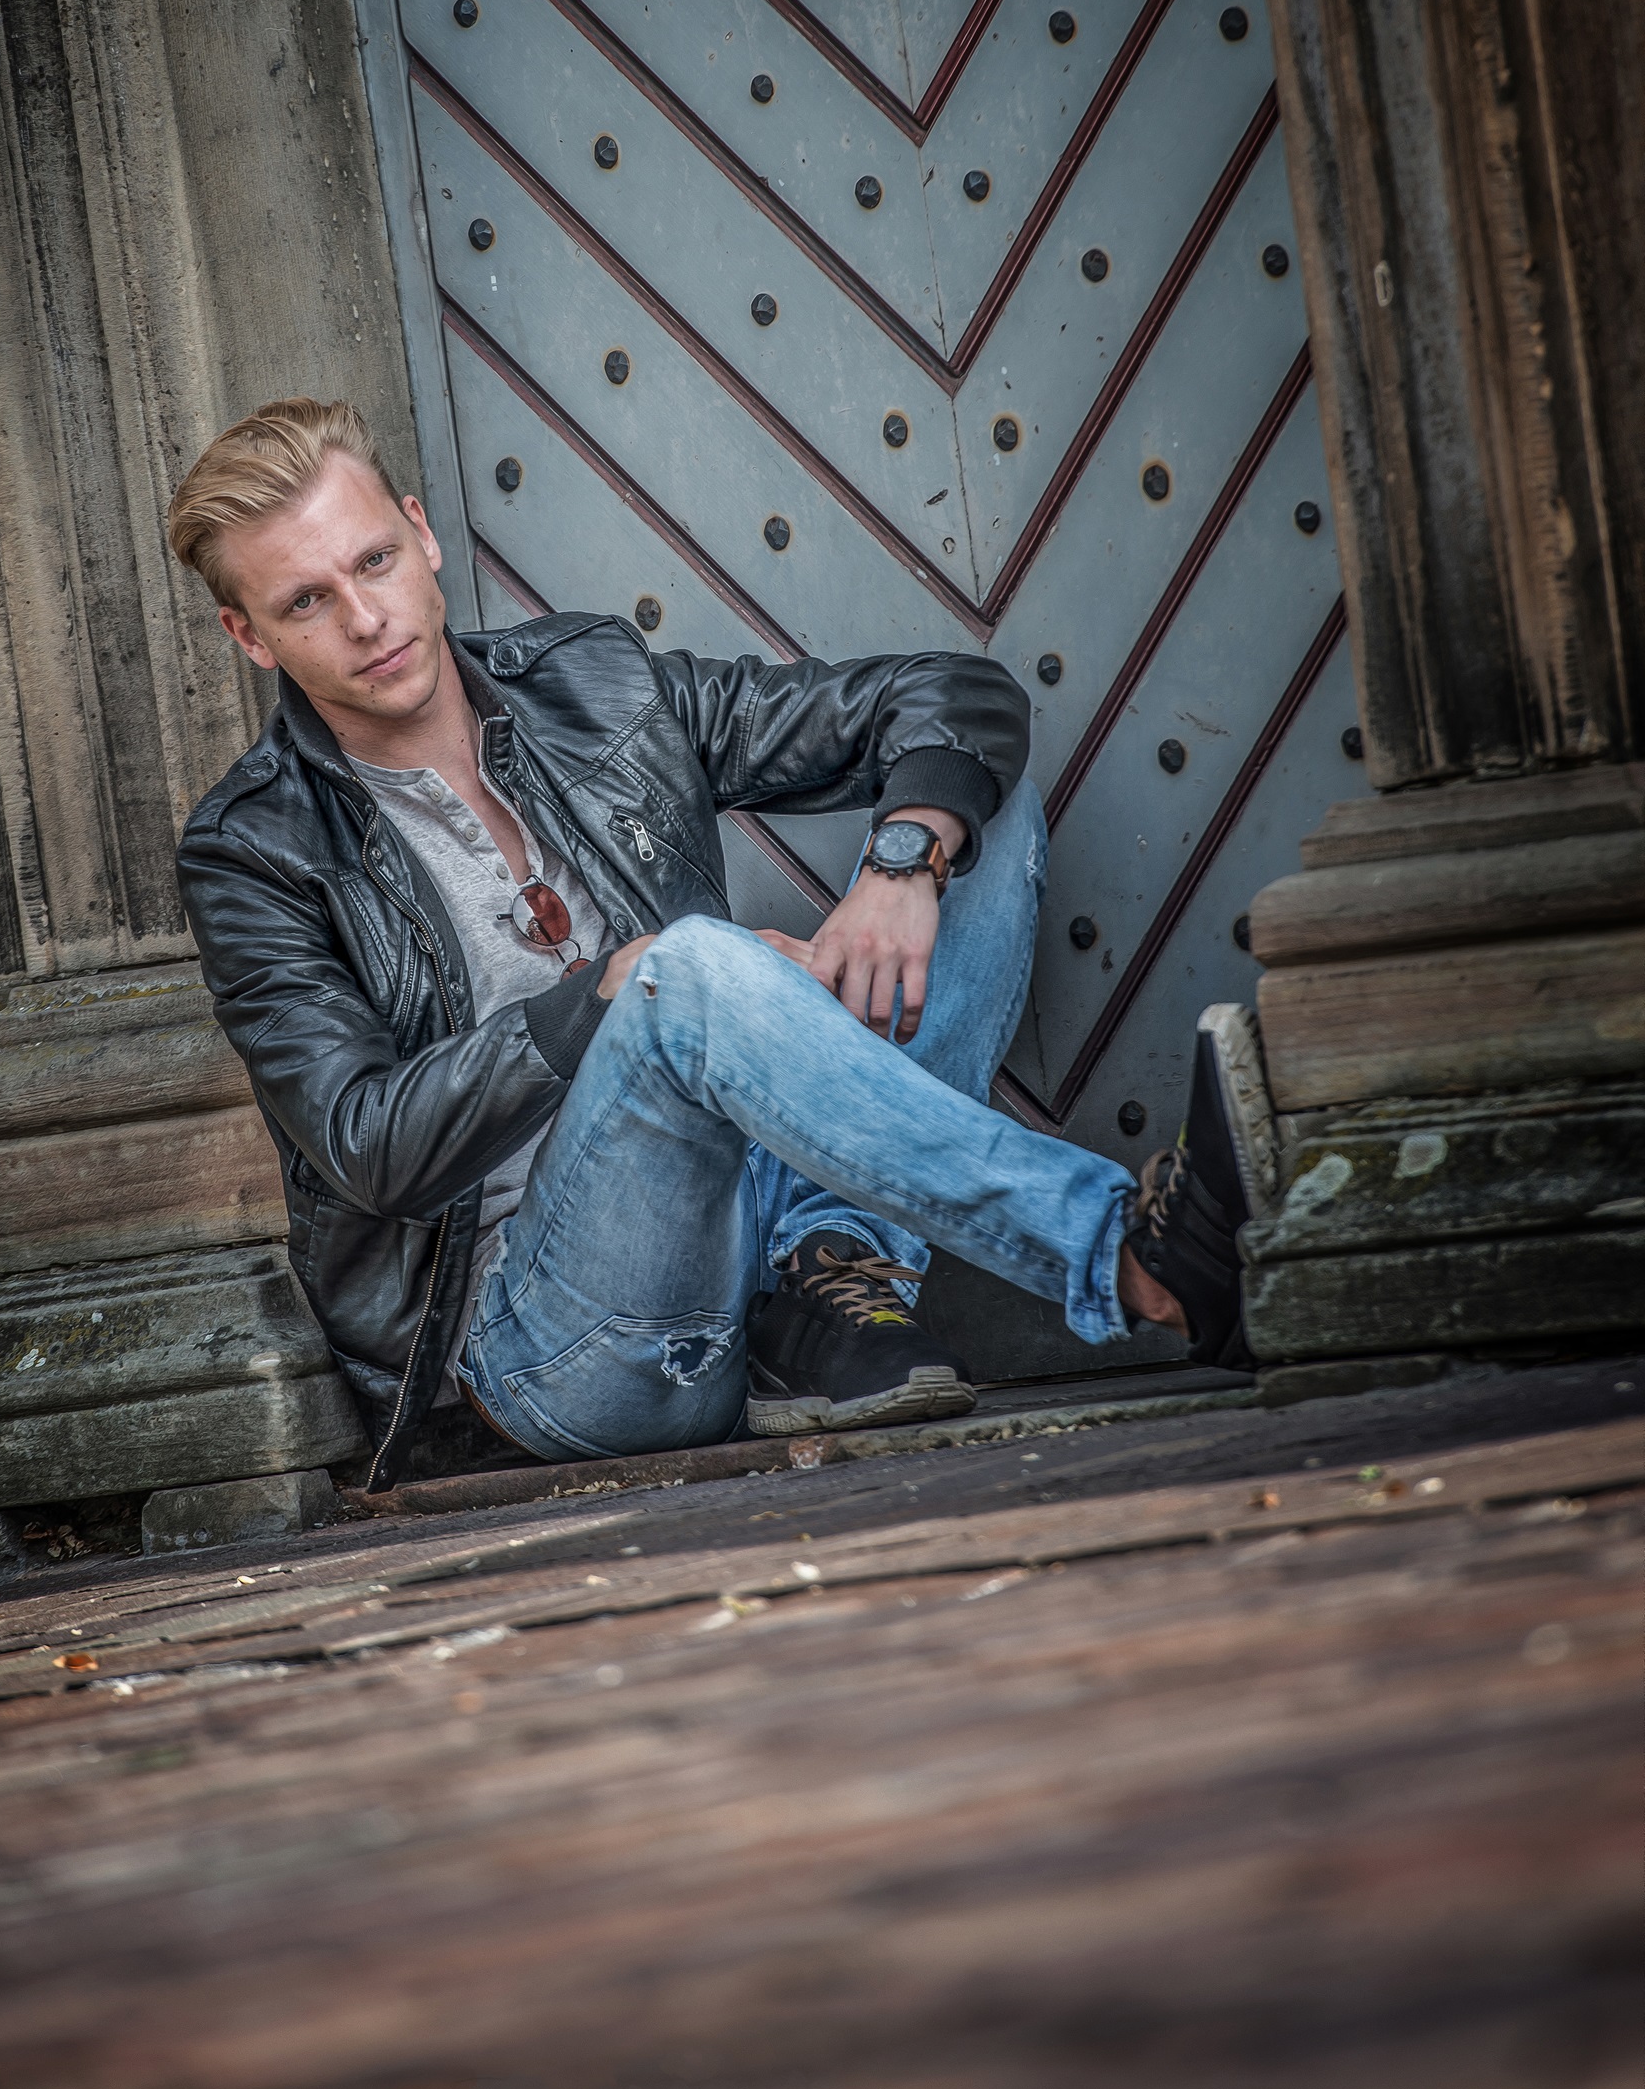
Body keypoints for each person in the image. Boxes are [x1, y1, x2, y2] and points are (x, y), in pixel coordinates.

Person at [172, 397, 1276, 1490]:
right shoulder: (254, 850)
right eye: (307, 600)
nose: (365, 618)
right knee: (682, 968)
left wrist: (902, 863)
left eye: (372, 560)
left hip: (760, 1212)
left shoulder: (591, 685)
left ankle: (830, 1273)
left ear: (420, 535)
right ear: (248, 636)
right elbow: (365, 1143)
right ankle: (1131, 1259)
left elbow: (952, 694)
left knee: (963, 807)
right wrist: (612, 991)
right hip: (557, 1340)